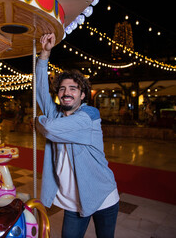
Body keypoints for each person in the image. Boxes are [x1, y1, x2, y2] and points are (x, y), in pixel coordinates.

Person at [35, 33, 119, 238]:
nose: (67, 92)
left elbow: (51, 129)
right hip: (72, 201)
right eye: (62, 88)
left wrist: (37, 121)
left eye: (73, 89)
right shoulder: (55, 114)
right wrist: (45, 54)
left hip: (103, 195)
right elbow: (40, 90)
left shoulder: (89, 115)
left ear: (82, 95)